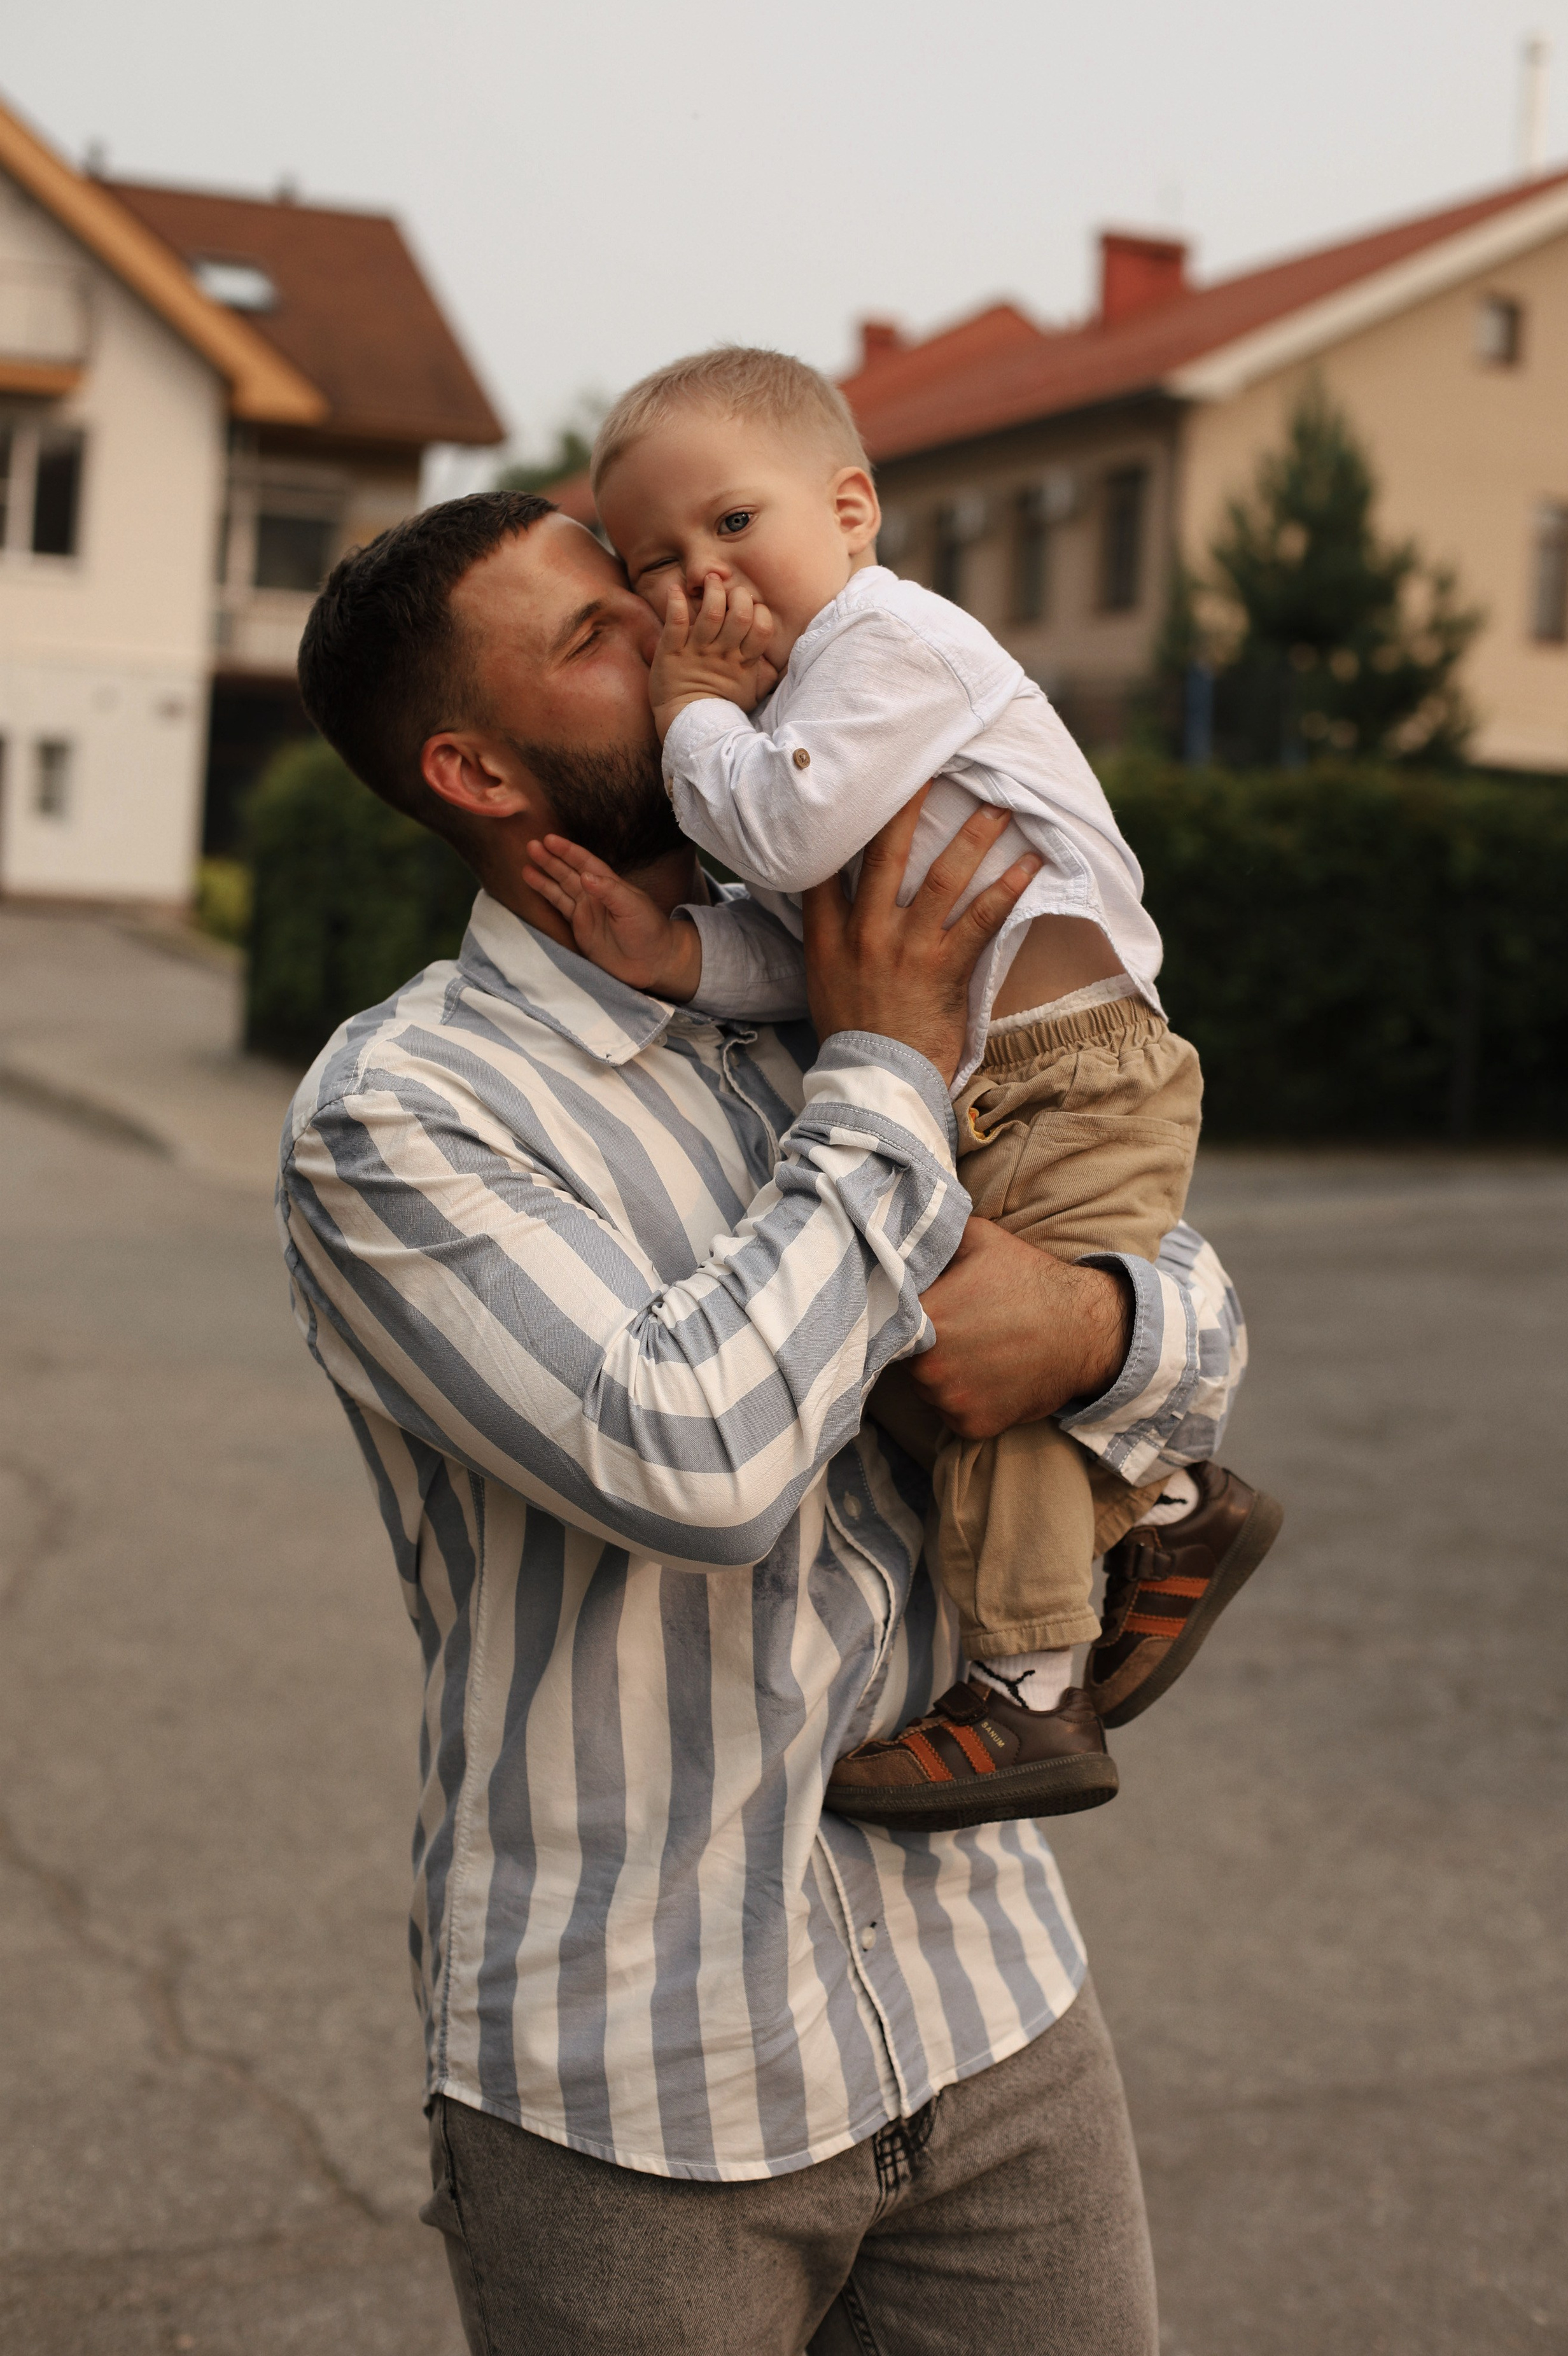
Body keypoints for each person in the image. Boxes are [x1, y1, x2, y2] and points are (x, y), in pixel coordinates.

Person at [282, 490, 1247, 2355]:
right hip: (639, 2084)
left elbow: (1193, 1305)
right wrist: (881, 1064)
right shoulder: (397, 1117)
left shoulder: (820, 950)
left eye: (634, 593)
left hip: (994, 2006)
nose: (667, 633)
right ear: (473, 767)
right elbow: (697, 1459)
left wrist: (1096, 1321)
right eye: (594, 637)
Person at [512, 347, 1278, 1827]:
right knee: (921, 1376)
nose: (697, 585)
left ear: (849, 510)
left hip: (1074, 1074)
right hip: (985, 1078)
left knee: (993, 1375)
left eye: (734, 527)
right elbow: (824, 947)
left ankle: (1031, 1698)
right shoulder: (785, 703)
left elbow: (787, 834)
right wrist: (674, 950)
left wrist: (688, 707)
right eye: (655, 564)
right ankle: (1168, 1503)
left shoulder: (887, 647)